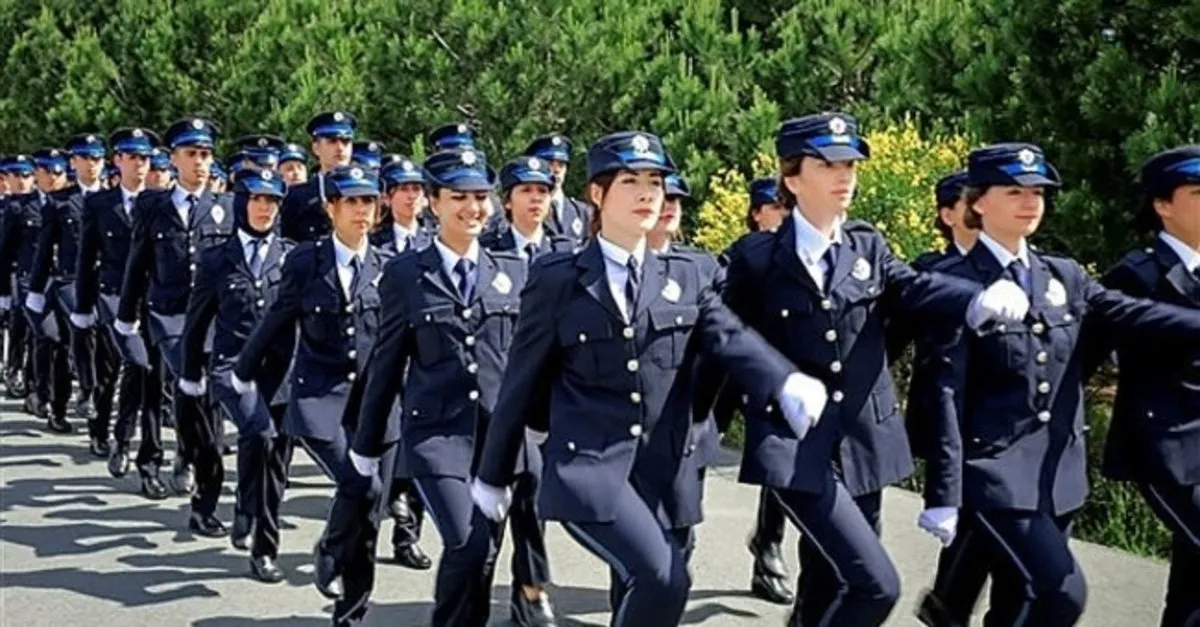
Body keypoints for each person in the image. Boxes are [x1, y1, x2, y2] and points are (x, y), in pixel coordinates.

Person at [471, 131, 832, 627]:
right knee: (664, 577)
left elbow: (729, 335)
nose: (647, 194)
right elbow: (521, 381)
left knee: (657, 593)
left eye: (655, 183)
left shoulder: (684, 276)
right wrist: (493, 476)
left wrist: (784, 380)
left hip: (667, 471)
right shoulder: (558, 278)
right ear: (597, 195)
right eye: (631, 181)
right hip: (591, 468)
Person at [721, 113, 1033, 627]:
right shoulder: (757, 258)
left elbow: (913, 287)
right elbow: (724, 338)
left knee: (829, 575)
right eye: (828, 164)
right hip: (795, 442)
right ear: (793, 178)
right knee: (871, 581)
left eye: (850, 164)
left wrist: (975, 299)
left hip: (864, 439)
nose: (845, 175)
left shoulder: (868, 245)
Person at [918, 142, 1200, 627]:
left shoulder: (1063, 275)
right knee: (1061, 594)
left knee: (1019, 601)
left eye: (1039, 193)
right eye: (1014, 191)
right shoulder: (956, 283)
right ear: (978, 202)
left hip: (1055, 470)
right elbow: (941, 389)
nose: (1031, 202)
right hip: (994, 471)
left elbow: (1132, 314)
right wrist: (944, 489)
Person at [345, 148, 557, 627]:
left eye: (481, 196)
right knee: (469, 542)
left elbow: (532, 365)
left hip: (501, 443)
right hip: (437, 437)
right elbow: (385, 367)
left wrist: (544, 430)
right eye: (459, 196)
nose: (473, 207)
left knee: (480, 558)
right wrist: (364, 450)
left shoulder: (514, 272)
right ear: (433, 203)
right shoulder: (405, 275)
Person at [232, 164, 388, 626]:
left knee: (371, 509)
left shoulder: (389, 266)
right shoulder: (305, 261)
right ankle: (333, 546)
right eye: (352, 202)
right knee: (363, 484)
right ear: (330, 207)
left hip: (375, 402)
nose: (362, 211)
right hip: (320, 395)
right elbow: (277, 318)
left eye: (368, 202)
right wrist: (243, 371)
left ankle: (351, 610)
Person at [1088, 145, 1200, 627]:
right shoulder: (1137, 274)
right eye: (1198, 193)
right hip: (1164, 445)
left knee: (1194, 579)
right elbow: (1083, 355)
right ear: (1162, 205)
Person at [179, 170, 296, 583]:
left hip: (282, 371)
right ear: (241, 202)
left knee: (277, 460)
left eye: (274, 201)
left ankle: (249, 511)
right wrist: (190, 375)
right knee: (259, 432)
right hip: (232, 367)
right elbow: (196, 324)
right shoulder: (216, 258)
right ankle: (265, 551)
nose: (265, 208)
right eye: (257, 199)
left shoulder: (294, 255)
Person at [115, 117, 234, 516]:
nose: (200, 162)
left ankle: (195, 457)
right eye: (191, 154)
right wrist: (126, 317)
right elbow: (138, 263)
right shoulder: (154, 206)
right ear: (174, 158)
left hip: (214, 320)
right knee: (183, 385)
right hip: (168, 316)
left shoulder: (225, 206)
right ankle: (172, 459)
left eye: (205, 154)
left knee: (208, 397)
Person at [75, 127, 168, 499]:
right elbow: (86, 258)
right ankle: (109, 430)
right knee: (128, 366)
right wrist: (82, 308)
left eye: (144, 157)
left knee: (152, 375)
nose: (139, 164)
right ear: (118, 160)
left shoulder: (162, 202)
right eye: (131, 157)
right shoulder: (100, 204)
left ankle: (146, 458)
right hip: (114, 298)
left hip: (155, 302)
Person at [27, 134, 107, 451]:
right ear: (73, 163)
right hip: (70, 281)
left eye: (97, 158)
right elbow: (45, 250)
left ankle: (94, 422)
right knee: (83, 326)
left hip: (109, 283)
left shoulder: (116, 199)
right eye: (85, 158)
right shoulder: (61, 203)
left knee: (89, 347)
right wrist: (34, 290)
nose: (92, 164)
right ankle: (85, 389)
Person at [0, 155, 42, 414]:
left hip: (40, 277)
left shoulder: (40, 205)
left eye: (27, 175)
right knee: (18, 325)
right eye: (17, 176)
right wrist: (3, 290)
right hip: (18, 275)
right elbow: (4, 253)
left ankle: (34, 381)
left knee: (39, 333)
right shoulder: (10, 209)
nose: (22, 181)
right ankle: (14, 367)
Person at [479, 156, 575, 261]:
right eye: (526, 190)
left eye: (542, 191)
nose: (536, 198)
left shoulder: (566, 252)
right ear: (507, 201)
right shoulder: (487, 251)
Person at [280, 111, 357, 242]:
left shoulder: (364, 190)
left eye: (346, 141)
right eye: (332, 141)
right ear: (316, 148)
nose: (340, 148)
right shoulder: (297, 196)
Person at [523, 134, 592, 244]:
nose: (556, 170)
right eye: (550, 164)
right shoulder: (523, 210)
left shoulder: (583, 213)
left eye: (561, 164)